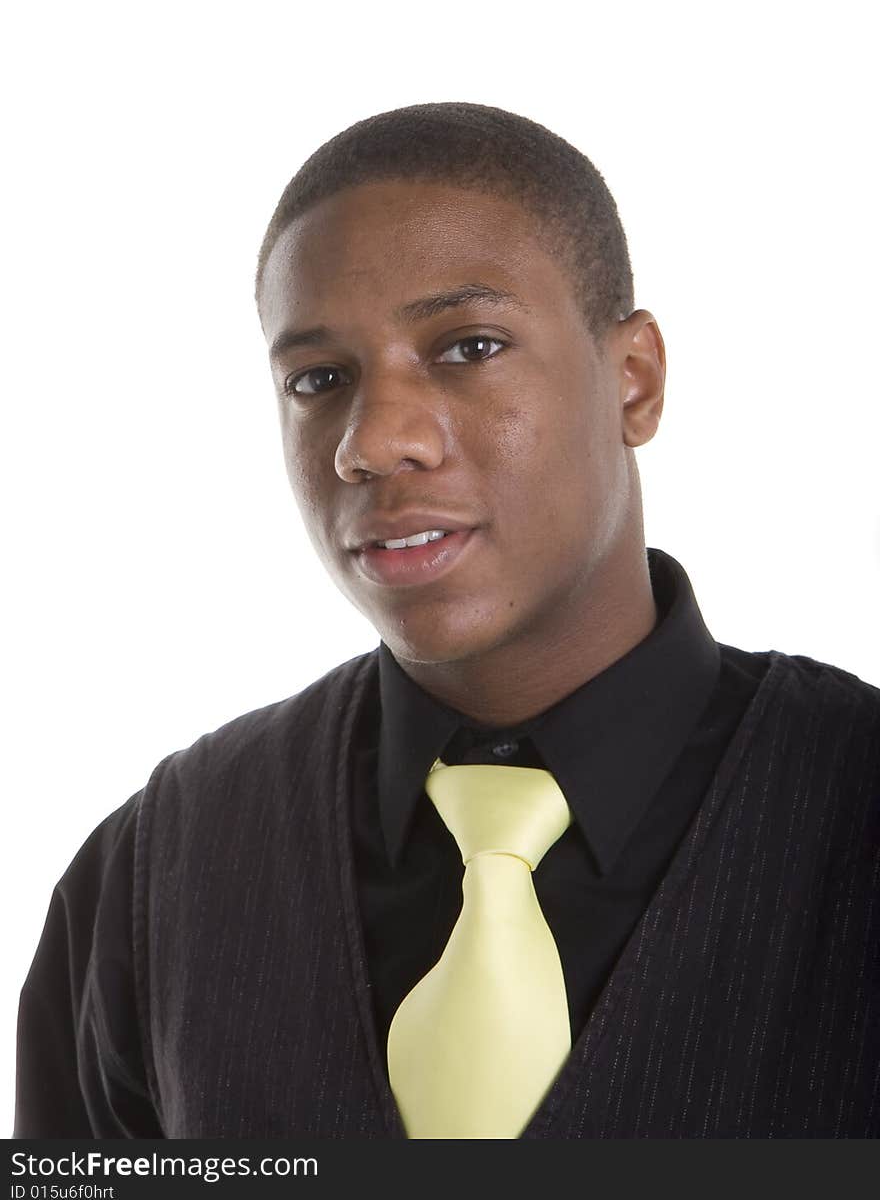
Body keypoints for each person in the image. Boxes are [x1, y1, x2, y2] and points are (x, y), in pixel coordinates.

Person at [14, 103, 880, 1139]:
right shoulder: (151, 880)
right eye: (318, 380)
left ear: (633, 381)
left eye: (468, 346)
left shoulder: (851, 801)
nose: (372, 441)